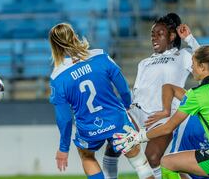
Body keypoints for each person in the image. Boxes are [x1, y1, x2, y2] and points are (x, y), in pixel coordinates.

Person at [114, 45, 209, 179]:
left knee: (167, 163)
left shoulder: (197, 94)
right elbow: (172, 89)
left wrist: (137, 137)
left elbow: (168, 128)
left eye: (193, 64)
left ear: (202, 67)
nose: (191, 68)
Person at [48, 23, 154, 179]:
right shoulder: (100, 56)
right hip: (116, 120)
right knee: (139, 163)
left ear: (54, 46)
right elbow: (123, 88)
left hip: (89, 129)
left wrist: (63, 148)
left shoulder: (57, 78)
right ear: (75, 36)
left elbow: (64, 119)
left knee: (87, 156)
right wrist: (127, 107)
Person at [102, 13, 201, 179]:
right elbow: (138, 90)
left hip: (164, 115)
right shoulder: (144, 62)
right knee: (114, 144)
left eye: (159, 34)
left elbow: (205, 62)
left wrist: (190, 39)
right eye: (152, 35)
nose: (154, 38)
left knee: (153, 158)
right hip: (137, 111)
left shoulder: (183, 55)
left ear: (171, 36)